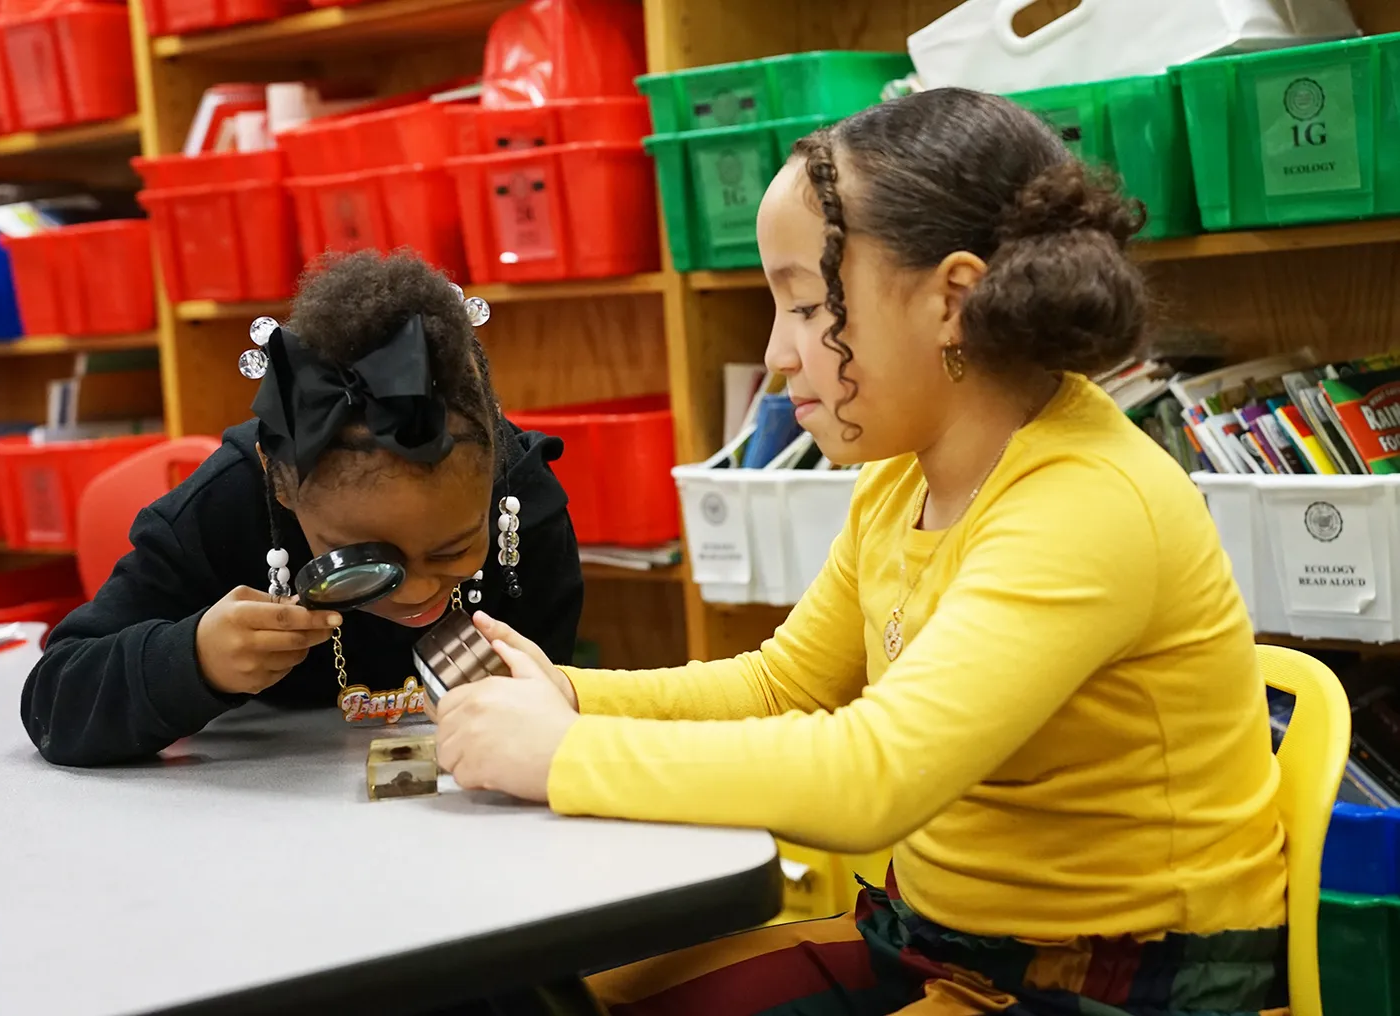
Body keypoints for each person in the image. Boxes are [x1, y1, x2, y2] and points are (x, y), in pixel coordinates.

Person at [429, 90, 1290, 1016]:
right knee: (581, 994)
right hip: (935, 944)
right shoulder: (903, 477)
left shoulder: (1087, 503)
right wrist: (574, 695)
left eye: (803, 304)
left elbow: (871, 774)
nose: (777, 354)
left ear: (952, 301)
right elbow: (783, 687)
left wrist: (564, 754)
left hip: (1118, 984)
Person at [23, 250, 583, 768]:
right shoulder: (221, 508)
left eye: (455, 548)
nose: (414, 591)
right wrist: (194, 660)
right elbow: (54, 700)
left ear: (493, 474)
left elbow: (550, 699)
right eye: (363, 557)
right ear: (279, 482)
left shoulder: (524, 505)